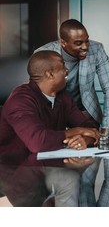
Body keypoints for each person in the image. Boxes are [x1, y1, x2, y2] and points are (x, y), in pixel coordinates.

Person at [35, 19, 109, 207]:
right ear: (63, 42)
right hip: (56, 116)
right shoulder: (44, 55)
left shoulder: (96, 49)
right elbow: (39, 94)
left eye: (87, 40)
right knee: (62, 170)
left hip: (85, 113)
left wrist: (107, 127)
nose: (85, 46)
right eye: (78, 43)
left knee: (90, 175)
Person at [0, 51, 100, 206]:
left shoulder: (63, 96)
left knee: (71, 180)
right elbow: (37, 143)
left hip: (47, 168)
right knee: (69, 179)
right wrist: (74, 132)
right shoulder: (20, 100)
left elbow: (89, 128)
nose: (67, 70)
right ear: (49, 74)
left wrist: (84, 140)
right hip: (16, 177)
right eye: (62, 65)